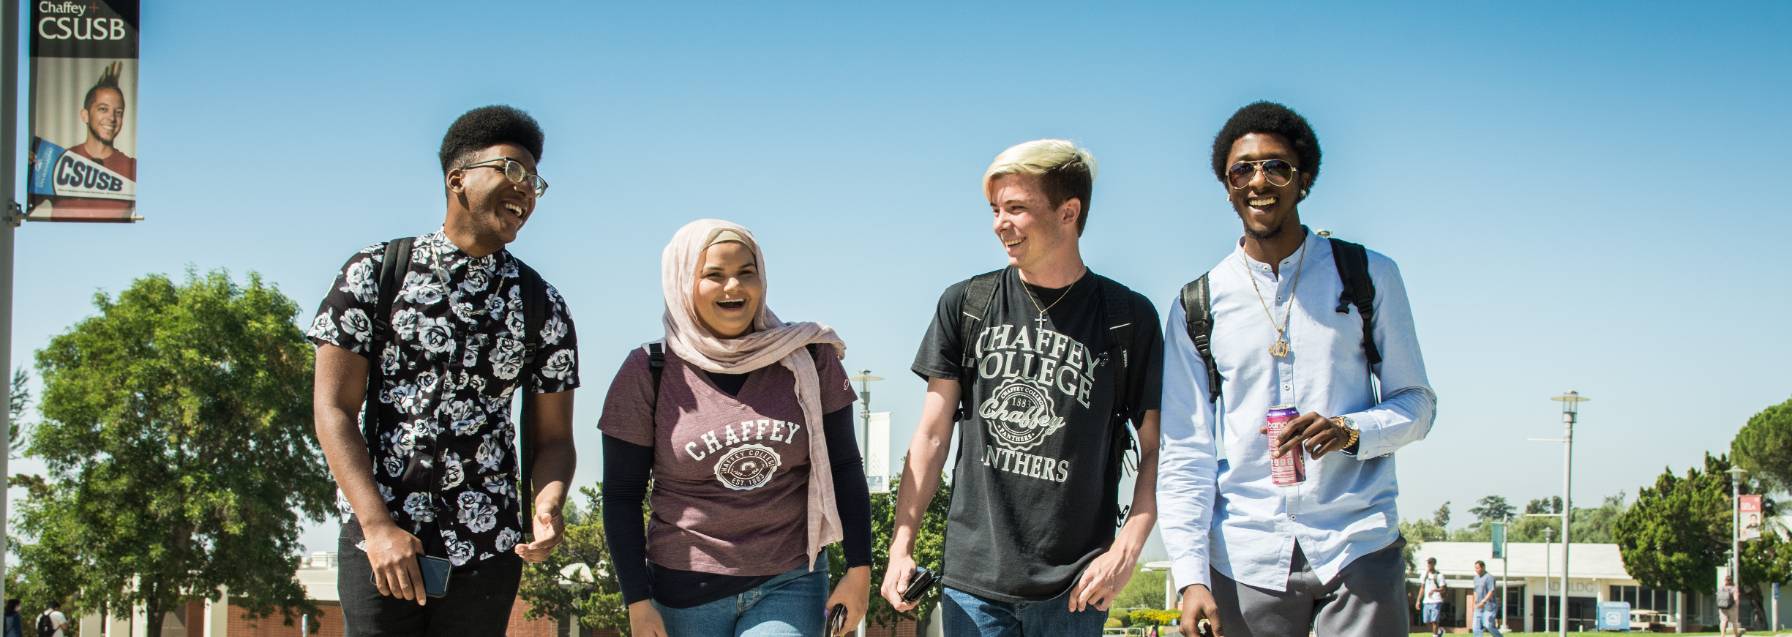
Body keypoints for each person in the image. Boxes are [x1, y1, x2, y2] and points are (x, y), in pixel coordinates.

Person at [1159, 101, 1438, 637]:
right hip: (1246, 551)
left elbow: (1417, 403)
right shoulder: (1199, 302)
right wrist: (1191, 575)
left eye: (1277, 166)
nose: (1259, 181)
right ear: (1227, 185)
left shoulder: (1367, 275)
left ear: (1303, 179)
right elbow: (1186, 451)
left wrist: (1352, 430)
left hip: (1359, 540)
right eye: (1243, 169)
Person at [309, 105, 580, 636]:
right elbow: (333, 409)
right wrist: (377, 527)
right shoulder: (374, 272)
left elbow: (554, 438)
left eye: (535, 183)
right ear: (458, 179)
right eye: (513, 170)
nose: (526, 191)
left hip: (488, 552)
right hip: (380, 545)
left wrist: (547, 504)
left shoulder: (541, 303)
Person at [880, 139, 1164, 636]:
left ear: (1068, 212)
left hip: (1076, 589)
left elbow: (1159, 448)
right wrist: (901, 545)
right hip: (974, 585)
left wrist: (1127, 550)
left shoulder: (1127, 318)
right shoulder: (967, 303)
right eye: (995, 210)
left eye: (1016, 208)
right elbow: (930, 436)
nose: (999, 224)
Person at [599, 219, 873, 636]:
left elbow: (846, 467)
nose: (733, 288)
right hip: (683, 592)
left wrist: (859, 571)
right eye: (714, 275)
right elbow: (621, 496)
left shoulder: (809, 358)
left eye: (747, 273)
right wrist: (637, 601)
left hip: (790, 580)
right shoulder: (649, 371)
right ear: (682, 283)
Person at [1472, 560, 1502, 637]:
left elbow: (1491, 591)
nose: (1476, 570)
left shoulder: (1489, 577)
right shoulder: (1475, 578)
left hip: (1489, 606)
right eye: (1475, 568)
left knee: (1488, 625)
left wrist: (1483, 602)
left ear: (1483, 567)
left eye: (1478, 568)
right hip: (1479, 606)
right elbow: (1475, 590)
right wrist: (1475, 601)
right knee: (1476, 628)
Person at [1419, 558, 1445, 637]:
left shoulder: (1439, 575)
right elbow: (1422, 588)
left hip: (1436, 601)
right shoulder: (1424, 574)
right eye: (1428, 563)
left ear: (1434, 564)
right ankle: (1439, 631)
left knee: (1434, 620)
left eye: (1430, 563)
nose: (1429, 565)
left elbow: (1442, 588)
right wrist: (1418, 600)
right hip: (1426, 601)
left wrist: (1434, 590)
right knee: (1426, 621)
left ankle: (1435, 635)